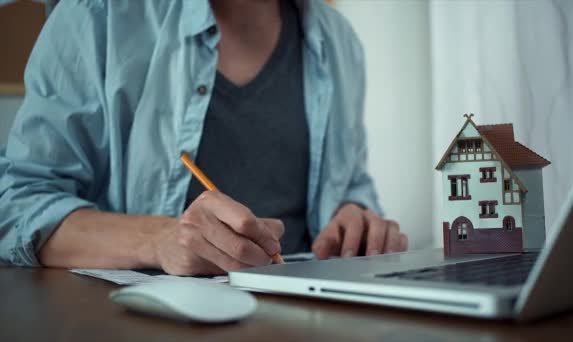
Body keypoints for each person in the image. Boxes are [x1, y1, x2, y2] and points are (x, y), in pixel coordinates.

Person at [0, 0, 408, 275]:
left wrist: (356, 221)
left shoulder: (339, 41)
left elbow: (351, 184)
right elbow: (17, 204)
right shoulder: (98, 14)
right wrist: (158, 240)